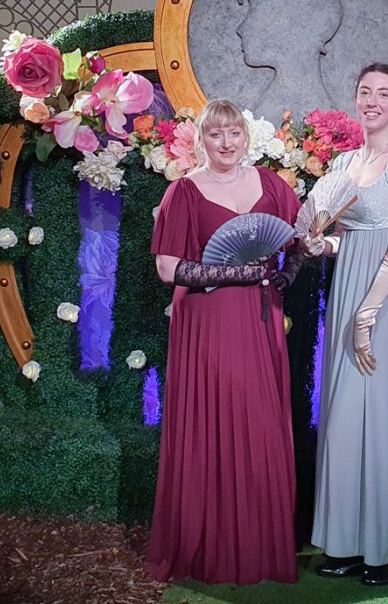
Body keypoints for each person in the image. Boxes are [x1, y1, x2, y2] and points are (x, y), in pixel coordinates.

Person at [146, 99, 315, 584]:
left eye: (234, 133)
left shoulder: (271, 185)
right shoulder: (184, 192)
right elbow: (167, 268)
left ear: (246, 137)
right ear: (201, 140)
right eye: (216, 134)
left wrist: (292, 272)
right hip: (207, 321)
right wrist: (240, 272)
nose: (226, 143)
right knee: (214, 418)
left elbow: (300, 238)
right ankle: (209, 547)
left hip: (261, 320)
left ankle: (260, 546)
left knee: (260, 422)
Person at [308, 63, 388, 585]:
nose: (373, 101)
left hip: (385, 298)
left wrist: (369, 311)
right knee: (342, 417)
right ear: (355, 99)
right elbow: (346, 237)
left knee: (380, 417)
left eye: (384, 93)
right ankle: (347, 542)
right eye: (365, 92)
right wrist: (322, 243)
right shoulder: (343, 163)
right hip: (347, 292)